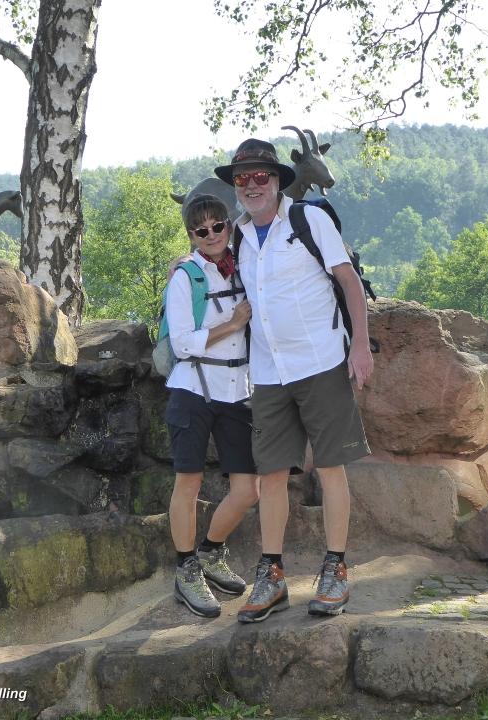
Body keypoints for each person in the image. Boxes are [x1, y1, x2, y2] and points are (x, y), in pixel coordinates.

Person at [213, 139, 374, 623]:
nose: (252, 185)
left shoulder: (309, 220)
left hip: (321, 361)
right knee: (271, 476)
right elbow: (209, 272)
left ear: (278, 180)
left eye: (261, 176)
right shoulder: (236, 234)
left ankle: (336, 569)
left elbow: (348, 281)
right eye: (242, 179)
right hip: (267, 372)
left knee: (331, 468)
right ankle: (273, 575)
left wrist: (361, 346)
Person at [164, 194, 259, 618]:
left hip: (238, 389)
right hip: (193, 389)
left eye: (217, 226)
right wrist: (233, 324)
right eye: (201, 230)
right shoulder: (186, 277)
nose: (212, 235)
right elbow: (183, 343)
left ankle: (209, 552)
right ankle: (186, 571)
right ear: (192, 236)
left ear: (228, 226)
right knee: (188, 485)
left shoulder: (247, 264)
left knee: (247, 490)